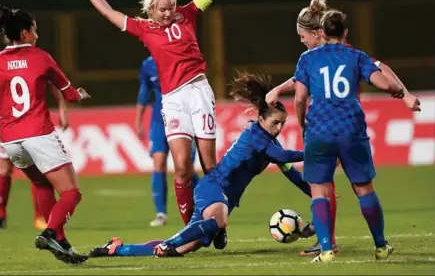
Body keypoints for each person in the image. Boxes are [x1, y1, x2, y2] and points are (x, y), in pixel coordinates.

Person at [66, 0, 222, 229]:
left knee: (209, 164)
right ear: (150, 11)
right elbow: (109, 12)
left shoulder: (187, 14)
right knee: (180, 168)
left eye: (170, 8)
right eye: (162, 9)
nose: (168, 13)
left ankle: (217, 221)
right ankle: (191, 227)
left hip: (199, 91)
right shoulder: (143, 28)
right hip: (173, 99)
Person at [87, 72, 316, 258]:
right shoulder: (256, 135)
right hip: (214, 187)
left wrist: (317, 196)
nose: (279, 128)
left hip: (225, 196)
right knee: (216, 221)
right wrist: (316, 152)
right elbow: (284, 157)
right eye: (275, 122)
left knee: (182, 248)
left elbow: (292, 173)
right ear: (261, 119)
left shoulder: (269, 142)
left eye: (283, 124)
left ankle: (117, 248)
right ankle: (172, 243)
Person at [265, 0, 421, 257]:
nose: (301, 39)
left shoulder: (309, 58)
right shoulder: (354, 55)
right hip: (351, 127)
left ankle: (327, 245)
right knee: (362, 188)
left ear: (320, 32)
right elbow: (381, 75)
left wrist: (301, 122)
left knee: (320, 188)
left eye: (302, 34)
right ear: (343, 30)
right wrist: (400, 93)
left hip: (321, 128)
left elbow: (301, 94)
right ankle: (379, 244)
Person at [0, 4, 91, 264]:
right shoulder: (41, 57)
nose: (37, 34)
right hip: (38, 133)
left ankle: (60, 242)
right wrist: (79, 95)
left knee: (42, 184)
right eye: (34, 29)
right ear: (25, 33)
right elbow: (69, 94)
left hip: (11, 141)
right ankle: (51, 233)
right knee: (72, 193)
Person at [0, 81, 70, 232]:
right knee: (5, 170)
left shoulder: (37, 61)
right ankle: (2, 215)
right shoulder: (1, 64)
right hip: (9, 125)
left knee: (39, 169)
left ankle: (40, 217)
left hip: (34, 126)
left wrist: (63, 110)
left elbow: (54, 84)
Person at [136, 56, 200, 227]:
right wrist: (138, 121)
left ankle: (207, 202)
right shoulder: (148, 64)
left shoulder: (179, 57)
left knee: (185, 167)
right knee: (158, 163)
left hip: (182, 118)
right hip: (158, 121)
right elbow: (144, 93)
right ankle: (161, 214)